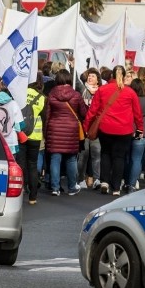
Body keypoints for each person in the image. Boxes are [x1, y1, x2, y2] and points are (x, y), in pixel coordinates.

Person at [83, 65, 143, 197]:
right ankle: (116, 187)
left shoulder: (102, 90)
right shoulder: (130, 92)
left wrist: (86, 126)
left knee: (105, 154)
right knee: (119, 158)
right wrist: (140, 128)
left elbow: (92, 110)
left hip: (106, 127)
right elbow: (137, 113)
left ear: (111, 75)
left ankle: (104, 182)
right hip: (124, 129)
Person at [44, 69, 86, 197]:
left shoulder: (52, 94)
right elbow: (84, 113)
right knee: (71, 159)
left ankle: (55, 188)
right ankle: (72, 187)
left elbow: (48, 115)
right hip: (71, 130)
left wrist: (46, 133)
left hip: (54, 129)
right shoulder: (76, 95)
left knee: (55, 159)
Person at [20, 73, 46, 204]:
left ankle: (20, 191)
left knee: (21, 164)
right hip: (35, 136)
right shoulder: (42, 98)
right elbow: (45, 118)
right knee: (32, 165)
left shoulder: (21, 93)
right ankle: (33, 197)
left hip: (21, 134)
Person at [77, 67, 102, 189]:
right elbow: (76, 82)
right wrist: (72, 68)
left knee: (96, 154)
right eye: (89, 76)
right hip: (84, 126)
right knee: (83, 154)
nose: (90, 77)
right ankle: (80, 179)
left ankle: (97, 179)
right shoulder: (83, 89)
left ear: (98, 80)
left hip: (96, 128)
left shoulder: (101, 91)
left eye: (93, 76)